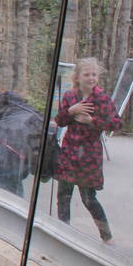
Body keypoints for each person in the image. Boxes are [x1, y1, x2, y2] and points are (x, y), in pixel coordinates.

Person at [53, 57, 122, 243]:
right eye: (87, 74)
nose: (91, 78)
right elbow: (59, 121)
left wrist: (93, 122)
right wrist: (71, 111)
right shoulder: (70, 97)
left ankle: (106, 236)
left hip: (89, 155)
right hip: (69, 153)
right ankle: (63, 232)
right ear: (78, 77)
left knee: (89, 199)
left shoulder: (102, 99)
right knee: (64, 196)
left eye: (94, 74)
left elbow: (116, 123)